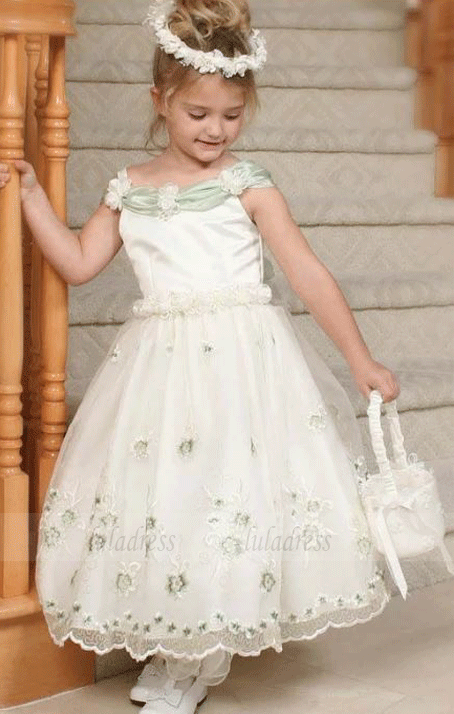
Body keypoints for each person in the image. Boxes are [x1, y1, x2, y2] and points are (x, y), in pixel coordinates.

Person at [0, 0, 400, 712]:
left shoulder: (248, 185)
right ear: (160, 101)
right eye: (198, 114)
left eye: (231, 115)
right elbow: (79, 262)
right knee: (171, 503)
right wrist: (30, 195)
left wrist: (361, 360)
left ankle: (200, 655)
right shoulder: (130, 188)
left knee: (227, 498)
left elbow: (308, 274)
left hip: (241, 369)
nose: (215, 129)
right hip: (161, 370)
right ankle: (177, 644)